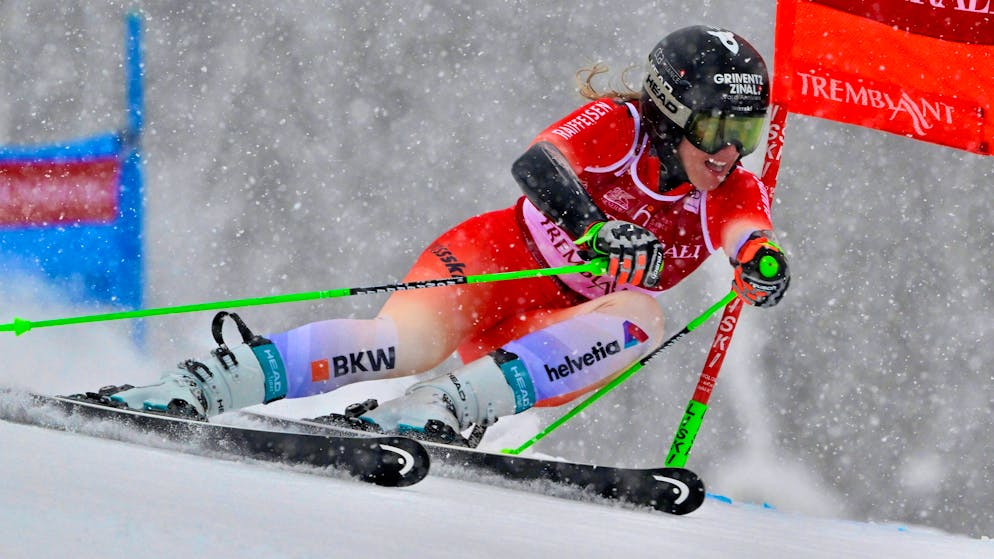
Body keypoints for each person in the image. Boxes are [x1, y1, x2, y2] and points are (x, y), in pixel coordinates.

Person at [99, 25, 790, 444]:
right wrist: (594, 227)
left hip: (552, 327)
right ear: (670, 114)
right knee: (398, 343)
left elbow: (754, 239)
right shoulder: (620, 123)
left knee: (641, 313)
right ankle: (201, 383)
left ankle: (440, 407)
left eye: (747, 132)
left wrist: (764, 265)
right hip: (494, 262)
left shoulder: (729, 189)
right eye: (716, 130)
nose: (729, 152)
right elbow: (536, 164)